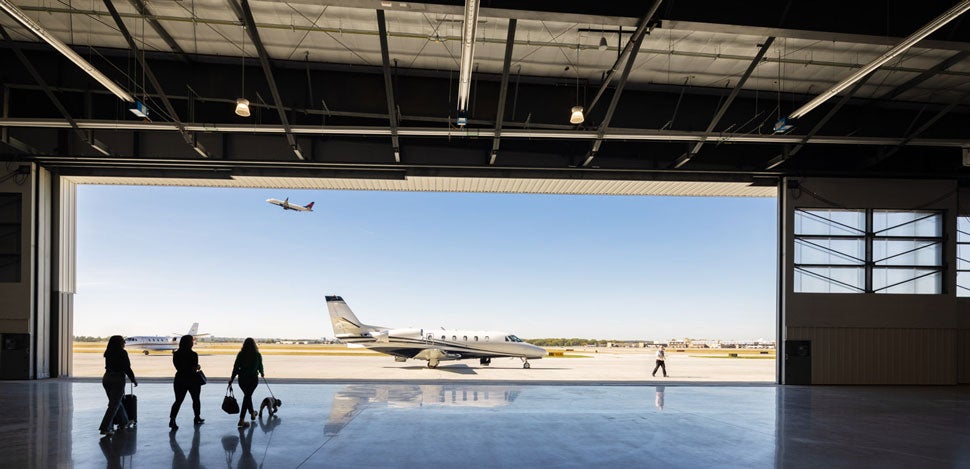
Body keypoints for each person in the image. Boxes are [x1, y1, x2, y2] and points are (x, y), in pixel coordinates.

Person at [98, 335, 137, 437]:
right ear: (120, 343)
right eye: (123, 341)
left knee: (116, 402)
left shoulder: (108, 353)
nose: (125, 343)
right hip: (117, 379)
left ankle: (124, 422)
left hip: (106, 378)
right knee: (113, 405)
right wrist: (133, 379)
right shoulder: (122, 353)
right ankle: (105, 428)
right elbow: (127, 368)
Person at [169, 335, 204, 430]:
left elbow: (179, 368)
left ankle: (172, 419)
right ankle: (197, 417)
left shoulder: (176, 354)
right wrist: (198, 367)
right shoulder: (193, 354)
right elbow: (193, 369)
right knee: (196, 399)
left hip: (179, 379)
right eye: (191, 341)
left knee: (178, 401)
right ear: (189, 343)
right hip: (192, 380)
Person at [228, 338, 264, 428]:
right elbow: (260, 366)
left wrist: (232, 378)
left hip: (242, 380)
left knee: (247, 396)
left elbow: (236, 367)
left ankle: (252, 413)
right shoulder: (257, 355)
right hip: (253, 379)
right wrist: (262, 373)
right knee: (247, 396)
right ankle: (241, 419)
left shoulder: (241, 355)